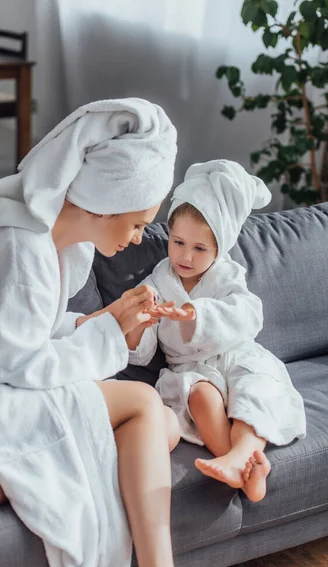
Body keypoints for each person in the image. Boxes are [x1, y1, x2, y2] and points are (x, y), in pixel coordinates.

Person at [0, 98, 183, 567]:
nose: (140, 237)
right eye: (138, 223)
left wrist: (109, 319)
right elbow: (17, 363)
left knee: (166, 424)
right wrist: (111, 334)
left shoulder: (60, 245)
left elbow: (33, 332)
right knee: (144, 404)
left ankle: (15, 477)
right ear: (105, 199)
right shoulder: (20, 245)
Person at [127, 159, 306, 503]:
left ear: (218, 249)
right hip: (192, 369)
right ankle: (244, 467)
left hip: (236, 357)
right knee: (200, 398)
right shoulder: (158, 281)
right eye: (178, 242)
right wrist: (140, 322)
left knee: (252, 392)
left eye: (199, 249)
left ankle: (239, 459)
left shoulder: (228, 275)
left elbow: (249, 314)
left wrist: (196, 313)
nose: (186, 257)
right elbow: (142, 351)